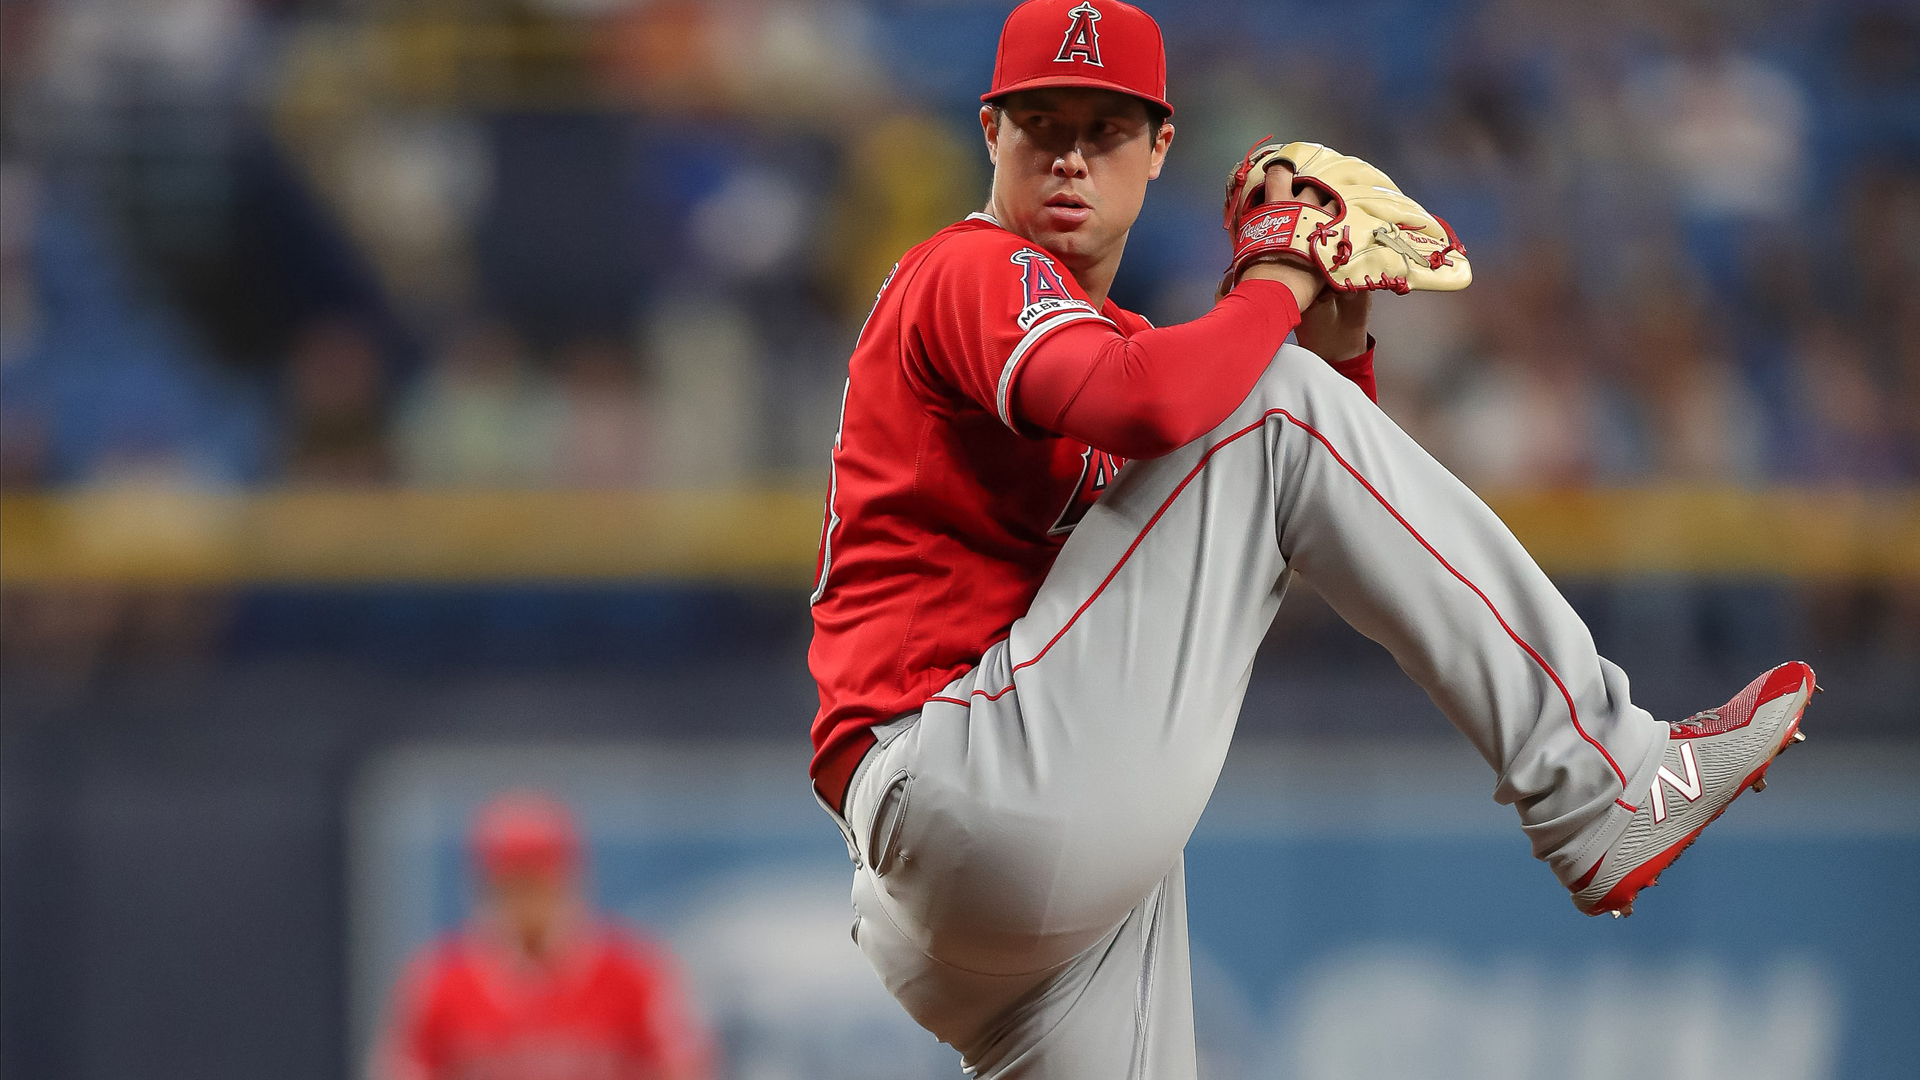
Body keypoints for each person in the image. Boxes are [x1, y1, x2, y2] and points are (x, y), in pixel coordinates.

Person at [804, 1, 1817, 1075]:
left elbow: (1323, 503)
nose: (1068, 156)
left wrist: (1332, 324)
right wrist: (1277, 280)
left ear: (1159, 151)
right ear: (990, 131)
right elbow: (1169, 407)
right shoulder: (964, 271)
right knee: (1269, 400)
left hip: (996, 877)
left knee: (1276, 399)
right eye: (1040, 123)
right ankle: (1602, 778)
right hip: (960, 786)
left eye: (1103, 130)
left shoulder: (1149, 357)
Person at [373, 791, 713, 1080]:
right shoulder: (439, 980)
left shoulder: (634, 974)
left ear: (570, 880)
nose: (526, 901)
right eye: (512, 883)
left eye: (537, 882)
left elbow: (681, 1069)